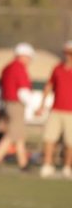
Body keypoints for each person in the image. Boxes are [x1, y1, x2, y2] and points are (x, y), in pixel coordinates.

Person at [0, 42, 34, 170]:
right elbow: (23, 90)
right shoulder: (19, 68)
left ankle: (23, 163)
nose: (29, 60)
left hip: (7, 103)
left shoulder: (7, 68)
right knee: (13, 134)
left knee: (19, 135)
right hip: (16, 104)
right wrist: (33, 107)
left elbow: (0, 87)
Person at [36, 40, 72, 178]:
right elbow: (49, 86)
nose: (68, 56)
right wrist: (42, 105)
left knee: (70, 142)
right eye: (67, 53)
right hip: (56, 110)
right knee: (49, 138)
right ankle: (47, 165)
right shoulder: (57, 68)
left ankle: (67, 167)